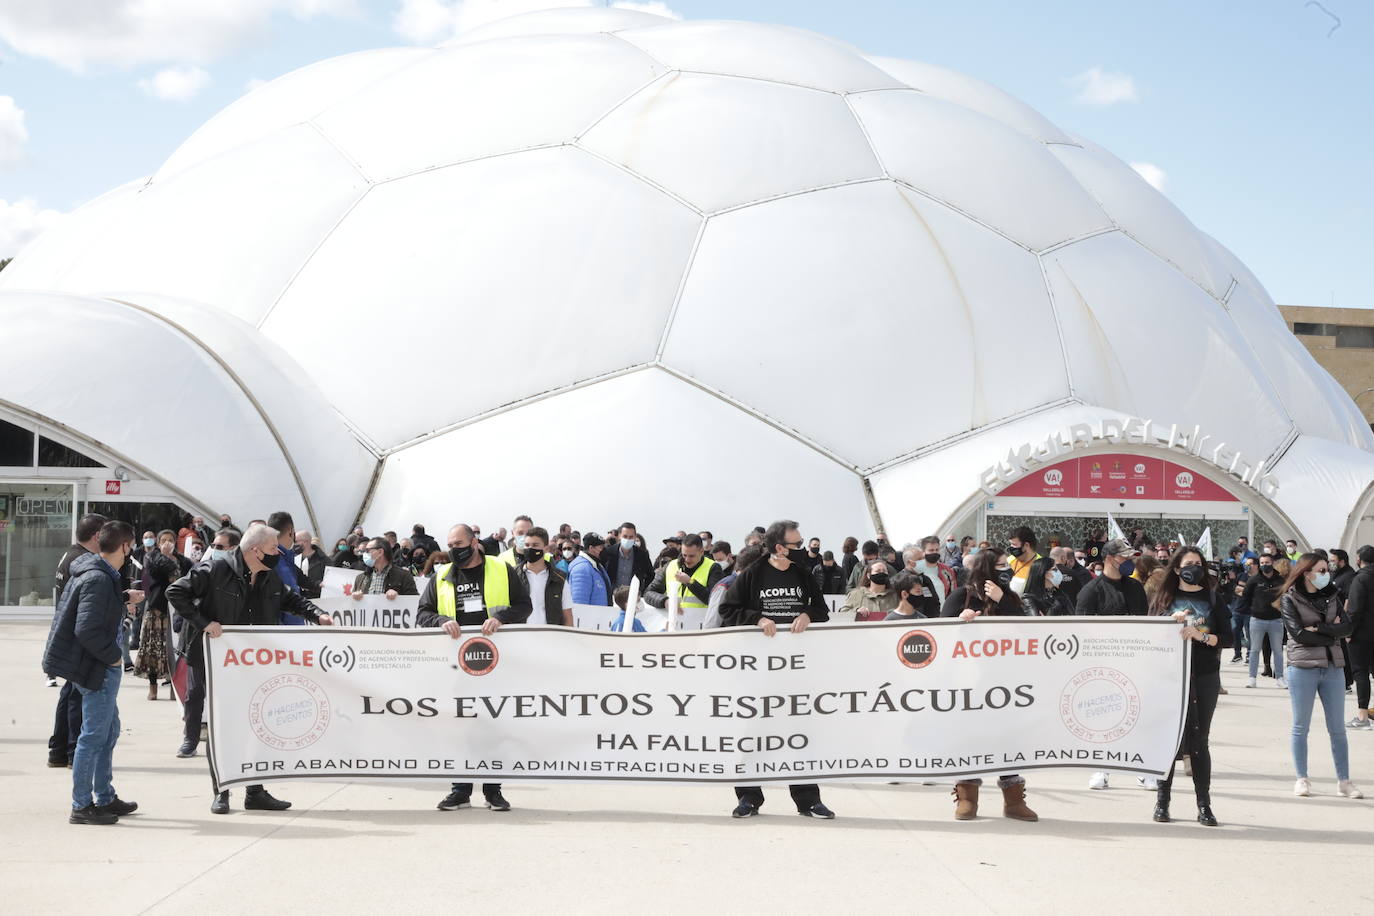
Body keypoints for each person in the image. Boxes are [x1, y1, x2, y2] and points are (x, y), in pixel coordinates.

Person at [168, 523, 334, 813]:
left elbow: (290, 599)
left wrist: (318, 615)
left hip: (253, 663)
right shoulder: (215, 570)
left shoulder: (269, 577)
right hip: (216, 660)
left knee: (256, 724)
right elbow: (175, 592)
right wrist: (204, 623)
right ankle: (222, 791)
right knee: (223, 725)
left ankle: (255, 791)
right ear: (255, 550)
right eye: (273, 549)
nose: (278, 553)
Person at [720, 519, 833, 819]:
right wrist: (757, 619)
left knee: (800, 732)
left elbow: (822, 609)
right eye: (797, 545)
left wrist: (809, 614)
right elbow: (727, 610)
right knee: (753, 732)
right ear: (780, 548)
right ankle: (749, 797)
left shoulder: (803, 574)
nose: (804, 549)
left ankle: (808, 799)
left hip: (795, 670)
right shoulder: (753, 573)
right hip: (756, 671)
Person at [416, 524, 531, 813]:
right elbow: (423, 613)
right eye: (450, 544)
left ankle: (493, 790)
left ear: (475, 542)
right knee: (459, 726)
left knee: (493, 726)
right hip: (456, 666)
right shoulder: (441, 575)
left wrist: (502, 618)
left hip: (495, 663)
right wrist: (440, 620)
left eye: (459, 543)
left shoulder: (501, 569)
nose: (454, 549)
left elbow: (524, 605)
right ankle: (460, 789)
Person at [41, 520, 140, 825]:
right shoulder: (98, 577)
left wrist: (123, 599)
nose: (133, 550)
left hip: (93, 666)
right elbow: (86, 628)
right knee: (94, 736)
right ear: (124, 545)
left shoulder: (99, 573)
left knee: (108, 731)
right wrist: (113, 658)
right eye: (132, 545)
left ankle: (105, 796)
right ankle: (82, 805)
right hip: (96, 667)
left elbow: (91, 611)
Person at [941, 549, 1037, 822]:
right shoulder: (962, 596)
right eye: (999, 566)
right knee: (971, 738)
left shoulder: (1010, 597)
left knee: (1009, 737)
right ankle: (967, 797)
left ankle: (1013, 800)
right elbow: (941, 631)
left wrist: (1002, 601)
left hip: (1007, 682)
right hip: (970, 682)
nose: (1006, 571)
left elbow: (1027, 630)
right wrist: (961, 621)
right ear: (987, 569)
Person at [1149, 548, 1231, 826]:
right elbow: (1147, 634)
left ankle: (1204, 805)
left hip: (1205, 674)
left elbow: (1229, 639)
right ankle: (1162, 802)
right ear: (1176, 569)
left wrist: (1201, 636)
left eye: (1198, 564)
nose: (1194, 568)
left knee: (1200, 740)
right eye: (1188, 564)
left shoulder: (1213, 598)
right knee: (1169, 741)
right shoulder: (1164, 599)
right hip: (1170, 675)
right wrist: (1168, 624)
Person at [1280, 553, 1361, 799]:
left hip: (1333, 666)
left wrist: (1322, 629)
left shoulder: (1333, 596)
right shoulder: (1289, 598)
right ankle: (1302, 778)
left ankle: (1344, 781)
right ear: (1306, 572)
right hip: (1302, 667)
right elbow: (1298, 634)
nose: (1327, 574)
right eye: (1322, 570)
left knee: (1337, 728)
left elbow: (1347, 627)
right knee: (1300, 726)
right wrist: (1331, 632)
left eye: (1328, 569)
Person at [134, 530, 181, 700]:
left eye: (170, 540)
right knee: (152, 649)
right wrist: (165, 556)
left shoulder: (180, 559)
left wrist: (170, 560)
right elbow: (155, 572)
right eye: (163, 540)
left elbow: (179, 578)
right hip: (155, 609)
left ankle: (173, 687)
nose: (167, 543)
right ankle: (152, 687)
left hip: (174, 611)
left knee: (173, 650)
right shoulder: (151, 557)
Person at [645, 534, 723, 623]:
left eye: (691, 556)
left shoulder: (713, 568)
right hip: (674, 625)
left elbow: (713, 600)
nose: (687, 559)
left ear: (701, 551)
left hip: (700, 625)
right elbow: (649, 593)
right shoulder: (670, 566)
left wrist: (690, 582)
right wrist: (665, 601)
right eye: (684, 555)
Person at [1240, 552, 1286, 688]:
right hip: (1257, 620)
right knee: (1254, 650)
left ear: (1272, 563)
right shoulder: (1254, 579)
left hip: (1276, 620)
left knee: (1278, 650)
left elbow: (1285, 597)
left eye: (1267, 562)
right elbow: (1245, 597)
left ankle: (1280, 678)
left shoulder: (1280, 580)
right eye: (1262, 563)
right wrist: (1252, 610)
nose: (1265, 565)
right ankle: (1252, 678)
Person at [1076, 539, 1148, 616]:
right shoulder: (1091, 591)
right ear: (1110, 559)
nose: (1130, 561)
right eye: (1126, 558)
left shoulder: (1136, 586)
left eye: (1131, 558)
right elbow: (1083, 625)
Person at [518, 527, 572, 626]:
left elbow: (567, 615)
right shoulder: (514, 575)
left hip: (549, 637)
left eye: (535, 545)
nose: (530, 548)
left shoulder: (559, 579)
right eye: (527, 545)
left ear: (546, 548)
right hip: (520, 635)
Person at [1347, 546, 1374, 729]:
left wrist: (1348, 631)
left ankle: (1362, 716)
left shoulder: (1361, 578)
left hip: (1362, 634)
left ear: (1359, 559)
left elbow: (1354, 609)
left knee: (1360, 673)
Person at [353, 537, 419, 600]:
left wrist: (399, 598)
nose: (365, 554)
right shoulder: (360, 579)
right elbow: (351, 606)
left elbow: (414, 602)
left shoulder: (404, 576)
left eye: (367, 550)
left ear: (380, 552)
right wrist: (354, 598)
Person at [908, 536, 957, 604]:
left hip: (943, 611)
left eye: (937, 550)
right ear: (923, 552)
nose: (934, 552)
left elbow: (953, 593)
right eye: (931, 550)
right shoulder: (915, 570)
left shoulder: (947, 571)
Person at [568, 533, 613, 606]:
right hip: (590, 616)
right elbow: (579, 602)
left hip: (601, 615)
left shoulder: (597, 565)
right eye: (601, 547)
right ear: (591, 548)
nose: (604, 550)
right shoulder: (581, 569)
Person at [604, 522, 652, 590]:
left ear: (635, 537)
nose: (628, 539)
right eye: (625, 536)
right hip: (611, 595)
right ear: (620, 536)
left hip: (633, 597)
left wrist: (643, 591)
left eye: (631, 537)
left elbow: (650, 575)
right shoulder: (608, 552)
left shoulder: (642, 555)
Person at [1004, 526, 1042, 597]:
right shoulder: (1009, 561)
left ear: (1026, 545)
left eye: (1014, 544)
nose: (1011, 548)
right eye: (1010, 544)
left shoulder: (1041, 565)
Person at [294, 529, 327, 597]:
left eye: (296, 541)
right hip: (297, 599)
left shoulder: (324, 560)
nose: (294, 544)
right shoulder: (294, 558)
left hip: (317, 599)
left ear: (305, 542)